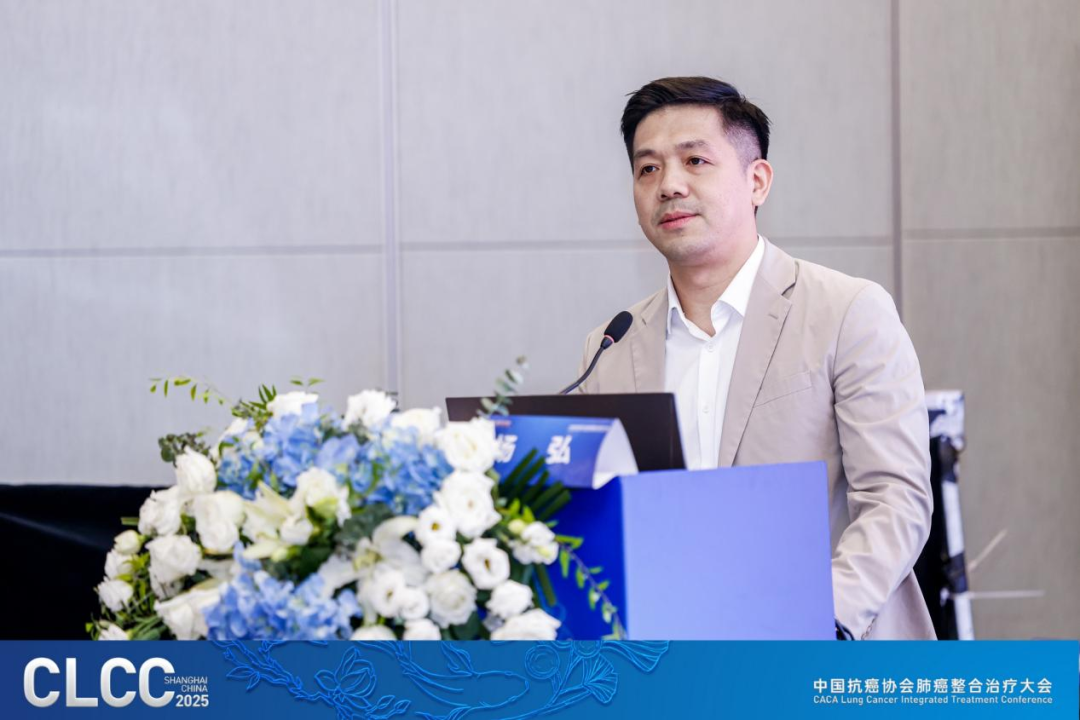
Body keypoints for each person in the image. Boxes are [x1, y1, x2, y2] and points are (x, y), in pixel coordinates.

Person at [577, 76, 934, 640]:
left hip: (824, 656)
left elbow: (895, 498)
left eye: (695, 161)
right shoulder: (611, 347)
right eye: (648, 169)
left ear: (757, 181)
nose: (669, 185)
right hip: (670, 662)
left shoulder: (848, 312)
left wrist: (821, 618)